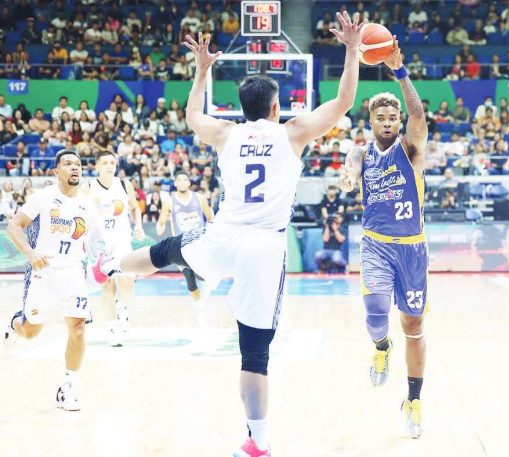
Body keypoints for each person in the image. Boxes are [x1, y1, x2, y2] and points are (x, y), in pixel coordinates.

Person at [93, 16, 363, 457]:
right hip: (263, 246)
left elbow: (192, 115)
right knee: (254, 353)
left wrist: (202, 69)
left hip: (224, 232)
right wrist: (351, 49)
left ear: (241, 108)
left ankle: (108, 267)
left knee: (165, 252)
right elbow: (344, 100)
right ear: (276, 109)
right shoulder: (294, 133)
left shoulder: (225, 133)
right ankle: (257, 439)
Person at [338, 37, 428, 439]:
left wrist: (400, 71)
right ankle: (380, 349)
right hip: (375, 243)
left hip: (412, 249)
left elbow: (419, 117)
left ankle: (414, 399)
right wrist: (346, 175)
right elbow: (350, 167)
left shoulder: (410, 150)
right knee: (376, 316)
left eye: (393, 116)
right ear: (371, 122)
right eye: (381, 117)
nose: (389, 121)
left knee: (413, 324)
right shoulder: (362, 153)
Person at [4, 150, 105, 411]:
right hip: (42, 272)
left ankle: (69, 387)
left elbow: (95, 240)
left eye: (78, 164)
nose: (75, 168)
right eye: (68, 164)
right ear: (56, 171)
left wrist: (104, 264)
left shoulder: (87, 205)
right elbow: (14, 226)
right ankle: (16, 322)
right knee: (30, 332)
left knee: (79, 327)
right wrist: (30, 253)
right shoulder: (43, 197)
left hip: (73, 272)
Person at [83, 151, 145, 347]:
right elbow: (79, 213)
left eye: (112, 162)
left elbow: (135, 208)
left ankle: (123, 308)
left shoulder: (125, 185)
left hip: (121, 240)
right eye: (105, 163)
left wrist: (139, 225)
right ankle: (112, 329)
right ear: (97, 166)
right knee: (107, 286)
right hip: (99, 244)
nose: (110, 166)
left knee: (127, 281)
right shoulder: (89, 188)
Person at [156, 171, 214, 301]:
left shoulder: (199, 198)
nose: (182, 182)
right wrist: (160, 228)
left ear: (188, 182)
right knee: (190, 281)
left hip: (199, 243)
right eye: (179, 180)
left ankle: (204, 294)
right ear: (175, 183)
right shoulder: (169, 201)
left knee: (202, 275)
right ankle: (199, 307)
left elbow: (210, 217)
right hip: (180, 245)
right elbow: (161, 222)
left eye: (185, 180)